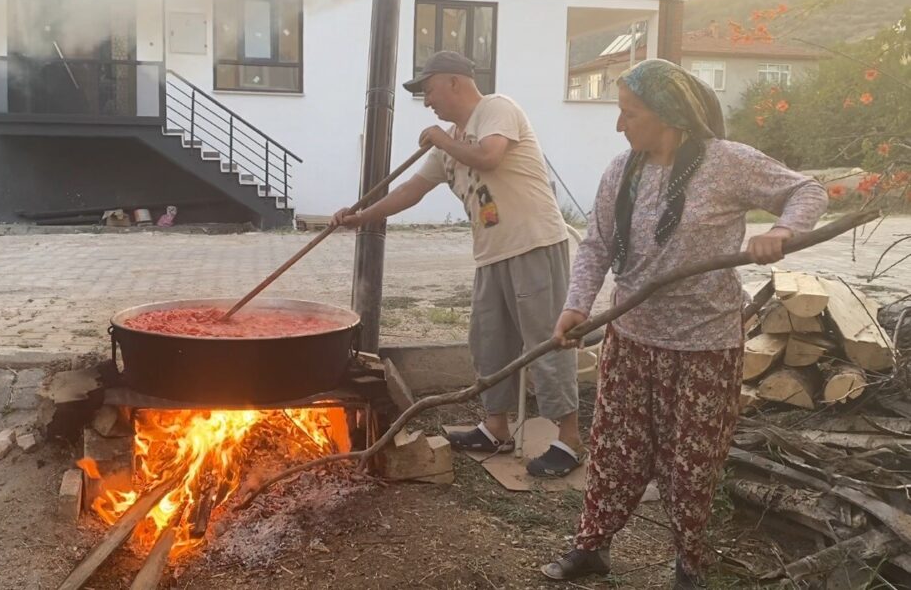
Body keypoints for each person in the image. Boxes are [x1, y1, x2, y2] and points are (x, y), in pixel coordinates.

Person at [542, 59, 828, 588]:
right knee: (612, 451)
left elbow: (806, 191)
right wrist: (576, 306)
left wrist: (783, 232)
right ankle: (592, 546)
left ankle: (689, 564)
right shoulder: (621, 171)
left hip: (705, 346)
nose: (619, 124)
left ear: (668, 115)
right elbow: (599, 246)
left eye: (630, 113)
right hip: (632, 339)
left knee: (691, 465)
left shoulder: (727, 162)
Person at [332, 51, 582, 477]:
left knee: (545, 341)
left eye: (428, 90)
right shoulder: (448, 141)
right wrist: (362, 216)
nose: (427, 101)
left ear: (454, 82)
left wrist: (440, 138)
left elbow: (489, 156)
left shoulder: (496, 109)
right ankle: (496, 428)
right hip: (491, 253)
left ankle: (570, 440)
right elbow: (411, 190)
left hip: (534, 243)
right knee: (489, 344)